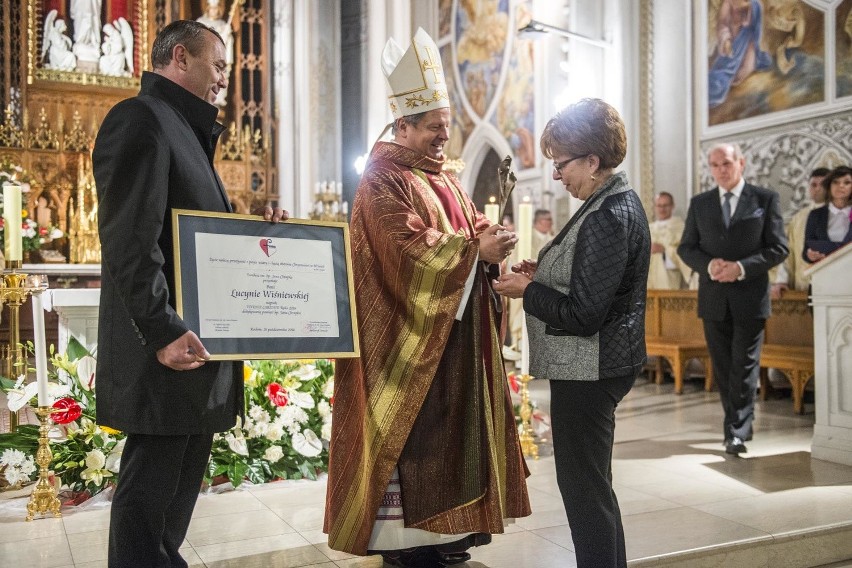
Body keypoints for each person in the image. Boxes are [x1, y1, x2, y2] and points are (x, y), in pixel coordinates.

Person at [324, 27, 531, 568]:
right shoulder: (382, 178)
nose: (444, 138)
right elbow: (404, 248)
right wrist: (471, 249)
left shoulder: (445, 178)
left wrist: (492, 242)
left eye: (447, 128)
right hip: (404, 339)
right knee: (416, 439)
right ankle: (405, 540)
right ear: (403, 125)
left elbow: (468, 224)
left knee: (453, 437)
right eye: (434, 129)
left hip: (454, 339)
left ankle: (451, 533)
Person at [92, 20, 288, 567]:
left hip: (191, 346)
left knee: (171, 505)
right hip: (168, 351)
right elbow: (130, 240)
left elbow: (190, 237)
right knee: (147, 501)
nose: (224, 80)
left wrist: (260, 235)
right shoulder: (141, 120)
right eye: (218, 66)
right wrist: (162, 330)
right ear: (180, 57)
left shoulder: (179, 127)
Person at [493, 98, 650, 568]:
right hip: (595, 364)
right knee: (592, 485)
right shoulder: (609, 201)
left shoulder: (607, 213)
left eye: (561, 164)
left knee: (583, 489)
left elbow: (583, 314)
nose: (557, 175)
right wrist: (544, 274)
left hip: (591, 367)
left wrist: (526, 290)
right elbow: (594, 277)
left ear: (592, 160)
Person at [678, 142, 787, 456]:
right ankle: (735, 424)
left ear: (741, 162)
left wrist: (740, 268)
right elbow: (687, 248)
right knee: (724, 367)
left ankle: (736, 431)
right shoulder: (700, 204)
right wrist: (710, 266)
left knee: (744, 365)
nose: (720, 170)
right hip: (713, 298)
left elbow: (778, 247)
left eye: (725, 163)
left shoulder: (765, 200)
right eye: (714, 165)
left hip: (750, 297)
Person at [771, 167, 829, 298]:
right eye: (814, 185)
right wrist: (781, 280)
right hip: (803, 288)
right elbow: (788, 251)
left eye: (823, 184)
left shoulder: (841, 214)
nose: (818, 188)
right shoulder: (798, 219)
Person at [506, 208, 554, 359]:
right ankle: (521, 354)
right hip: (526, 280)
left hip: (546, 285)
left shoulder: (554, 237)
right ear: (539, 221)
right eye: (548, 220)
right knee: (522, 318)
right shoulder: (526, 236)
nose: (551, 223)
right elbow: (517, 260)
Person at [708, 0, 772, 107]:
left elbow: (756, 36)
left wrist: (749, 62)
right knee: (719, 80)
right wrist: (726, 40)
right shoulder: (728, 3)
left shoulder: (756, 5)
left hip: (747, 49)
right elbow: (722, 24)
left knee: (743, 72)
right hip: (731, 50)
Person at [803, 165, 852, 263]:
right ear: (829, 186)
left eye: (847, 182)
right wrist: (810, 255)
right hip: (825, 273)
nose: (841, 186)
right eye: (836, 182)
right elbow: (806, 252)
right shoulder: (815, 215)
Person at [647, 191, 690, 289]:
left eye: (665, 205)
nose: (662, 209)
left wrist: (664, 251)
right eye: (659, 205)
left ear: (672, 206)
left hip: (669, 281)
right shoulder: (648, 229)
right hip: (648, 282)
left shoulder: (681, 228)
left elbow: (685, 255)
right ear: (654, 207)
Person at [196, 0, 235, 107]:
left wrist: (226, 35)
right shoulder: (201, 22)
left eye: (216, 8)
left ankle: (218, 100)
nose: (214, 11)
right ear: (208, 8)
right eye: (212, 8)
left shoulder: (223, 25)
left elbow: (225, 44)